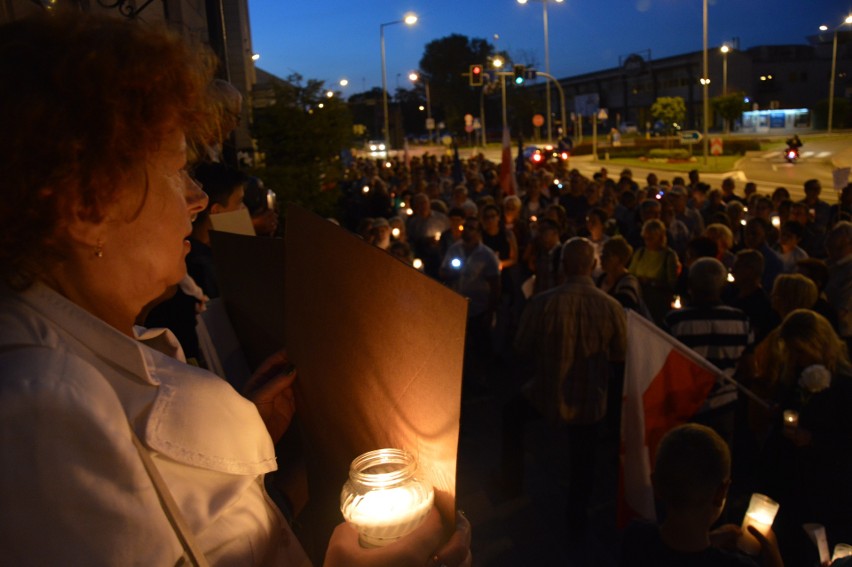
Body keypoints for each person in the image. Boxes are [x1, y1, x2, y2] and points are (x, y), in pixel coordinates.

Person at [0, 14, 469, 566]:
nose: (198, 199)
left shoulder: (83, 355)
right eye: (177, 171)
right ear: (87, 207)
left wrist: (242, 449)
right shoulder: (42, 408)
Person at [511, 238, 626, 530]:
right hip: (589, 401)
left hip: (545, 392)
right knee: (584, 459)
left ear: (563, 265)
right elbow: (619, 355)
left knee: (510, 416)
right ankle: (577, 514)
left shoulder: (542, 302)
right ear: (593, 266)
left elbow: (521, 347)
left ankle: (510, 481)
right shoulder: (612, 307)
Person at [621, 424, 783, 567]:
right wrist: (774, 558)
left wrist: (711, 539)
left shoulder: (635, 538)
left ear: (655, 484)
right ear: (721, 493)